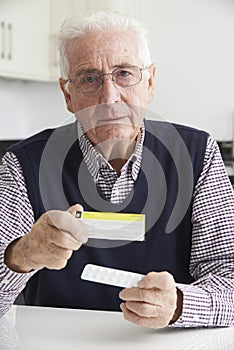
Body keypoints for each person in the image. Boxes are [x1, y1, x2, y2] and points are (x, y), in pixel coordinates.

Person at [0, 11, 233, 329]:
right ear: (68, 94)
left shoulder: (197, 154)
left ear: (149, 82)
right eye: (89, 78)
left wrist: (179, 305)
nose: (109, 99)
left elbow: (229, 275)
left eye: (124, 73)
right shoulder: (23, 165)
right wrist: (21, 256)